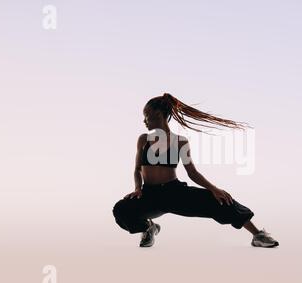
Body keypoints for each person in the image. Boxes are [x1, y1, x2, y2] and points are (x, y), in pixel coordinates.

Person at [112, 93, 278, 248]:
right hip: (149, 195)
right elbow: (137, 169)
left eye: (146, 115)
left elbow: (193, 173)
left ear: (158, 115)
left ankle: (258, 235)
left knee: (220, 200)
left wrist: (214, 189)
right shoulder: (143, 140)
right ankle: (149, 228)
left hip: (174, 192)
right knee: (121, 209)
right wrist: (137, 188)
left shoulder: (180, 142)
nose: (144, 121)